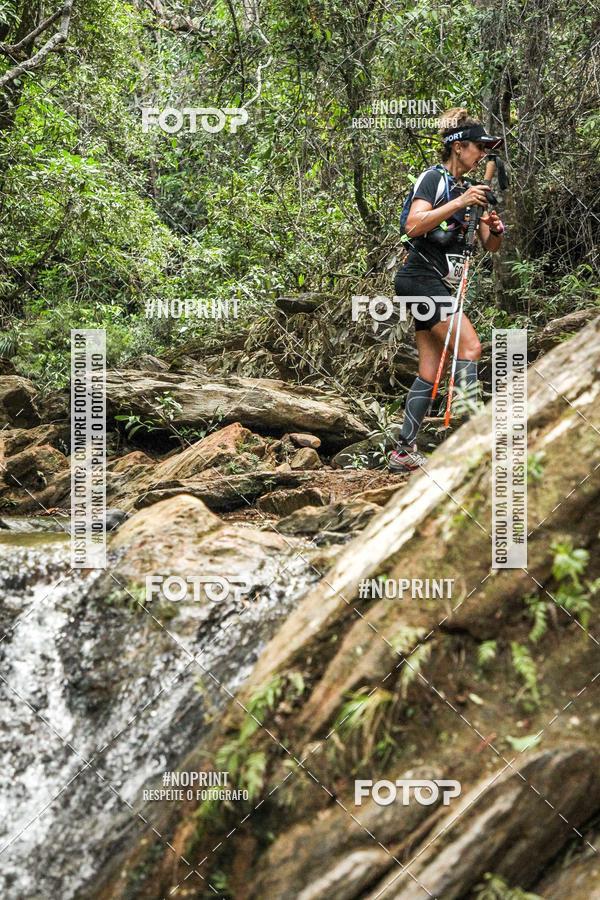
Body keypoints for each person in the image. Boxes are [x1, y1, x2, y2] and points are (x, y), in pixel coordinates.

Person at [388, 107, 505, 472]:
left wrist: (495, 228)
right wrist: (459, 202)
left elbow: (490, 246)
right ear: (458, 146)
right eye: (478, 147)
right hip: (419, 279)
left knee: (429, 370)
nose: (482, 154)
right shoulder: (433, 178)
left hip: (438, 284)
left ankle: (402, 452)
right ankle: (473, 447)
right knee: (470, 347)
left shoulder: (469, 190)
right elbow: (412, 225)